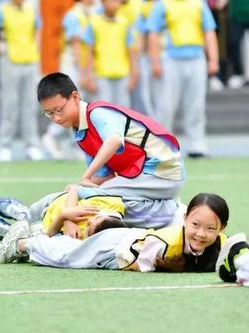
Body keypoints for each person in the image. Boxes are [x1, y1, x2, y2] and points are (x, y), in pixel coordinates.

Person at [37, 72, 185, 203]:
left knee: (96, 199)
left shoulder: (97, 113)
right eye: (49, 113)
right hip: (145, 176)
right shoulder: (81, 133)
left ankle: (172, 214)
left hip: (163, 169)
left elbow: (114, 140)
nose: (56, 118)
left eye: (59, 110)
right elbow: (104, 178)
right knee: (81, 195)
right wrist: (75, 188)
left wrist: (85, 179)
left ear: (75, 97)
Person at [0, 193, 231, 274]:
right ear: (185, 220)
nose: (201, 234)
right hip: (117, 247)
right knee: (68, 257)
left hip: (120, 248)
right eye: (195, 225)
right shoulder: (166, 243)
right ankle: (21, 244)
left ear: (222, 229)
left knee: (68, 252)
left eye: (211, 229)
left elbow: (239, 252)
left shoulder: (221, 245)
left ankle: (34, 234)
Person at [147, 0, 219, 158]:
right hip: (170, 60)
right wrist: (155, 62)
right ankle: (162, 145)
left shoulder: (199, 4)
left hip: (196, 58)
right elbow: (152, 34)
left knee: (196, 104)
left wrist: (213, 59)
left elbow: (209, 31)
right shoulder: (162, 5)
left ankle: (196, 144)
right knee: (165, 105)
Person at [0, 0, 45, 162]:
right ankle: (5, 146)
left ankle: (31, 146)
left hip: (30, 61)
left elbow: (38, 27)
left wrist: (36, 46)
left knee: (30, 105)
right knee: (10, 104)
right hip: (10, 60)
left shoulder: (31, 10)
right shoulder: (2, 10)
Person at [42, 0, 96, 160]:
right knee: (73, 106)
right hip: (73, 66)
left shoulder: (93, 12)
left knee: (83, 108)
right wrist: (84, 73)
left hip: (86, 67)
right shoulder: (73, 15)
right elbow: (76, 46)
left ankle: (77, 144)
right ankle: (51, 135)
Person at [0, 184, 125, 241]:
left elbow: (47, 238)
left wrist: (63, 217)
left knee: (31, 237)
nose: (87, 222)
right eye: (94, 219)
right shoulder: (111, 202)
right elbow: (73, 188)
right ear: (105, 215)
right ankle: (23, 215)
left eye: (89, 228)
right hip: (51, 202)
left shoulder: (85, 242)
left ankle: (12, 232)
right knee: (29, 213)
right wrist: (70, 219)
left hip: (43, 228)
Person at [81, 0, 138, 107]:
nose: (115, 4)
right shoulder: (94, 23)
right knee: (104, 110)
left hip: (122, 74)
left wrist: (133, 74)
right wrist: (88, 76)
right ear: (103, 2)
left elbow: (130, 50)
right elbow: (89, 52)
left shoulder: (124, 23)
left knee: (123, 111)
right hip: (102, 75)